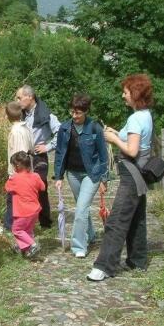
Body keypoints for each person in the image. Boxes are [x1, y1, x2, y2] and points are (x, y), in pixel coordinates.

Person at [87, 74, 154, 281]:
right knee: (136, 218)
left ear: (134, 94)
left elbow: (132, 151)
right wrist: (119, 133)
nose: (123, 95)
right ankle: (137, 259)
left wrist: (113, 138)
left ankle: (105, 266)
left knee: (117, 220)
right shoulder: (145, 115)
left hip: (131, 175)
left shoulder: (135, 118)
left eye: (125, 92)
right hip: (139, 175)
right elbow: (137, 140)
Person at [54, 94, 109, 258]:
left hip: (91, 175)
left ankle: (78, 246)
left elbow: (103, 155)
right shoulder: (64, 129)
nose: (74, 116)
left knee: (80, 209)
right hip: (73, 174)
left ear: (86, 111)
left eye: (78, 113)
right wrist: (58, 176)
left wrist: (103, 179)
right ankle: (90, 235)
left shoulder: (94, 128)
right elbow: (59, 154)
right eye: (72, 112)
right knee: (81, 207)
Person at [15, 85, 61, 229]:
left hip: (38, 156)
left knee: (41, 186)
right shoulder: (20, 114)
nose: (17, 101)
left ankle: (45, 221)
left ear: (30, 97)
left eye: (19, 97)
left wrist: (47, 147)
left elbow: (61, 133)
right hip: (23, 157)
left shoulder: (46, 115)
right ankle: (27, 220)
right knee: (24, 188)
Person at [5, 151, 45, 257]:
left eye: (13, 165)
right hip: (35, 210)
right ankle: (25, 249)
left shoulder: (14, 178)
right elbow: (42, 187)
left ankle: (33, 245)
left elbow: (7, 188)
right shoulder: (35, 176)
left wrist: (11, 178)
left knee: (17, 229)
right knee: (27, 230)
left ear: (17, 166)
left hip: (23, 211)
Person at [3, 101, 34, 231]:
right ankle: (23, 225)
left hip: (18, 172)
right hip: (27, 170)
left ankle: (10, 226)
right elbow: (31, 147)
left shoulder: (16, 131)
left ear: (8, 116)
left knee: (13, 200)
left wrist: (15, 174)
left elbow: (20, 154)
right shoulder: (26, 128)